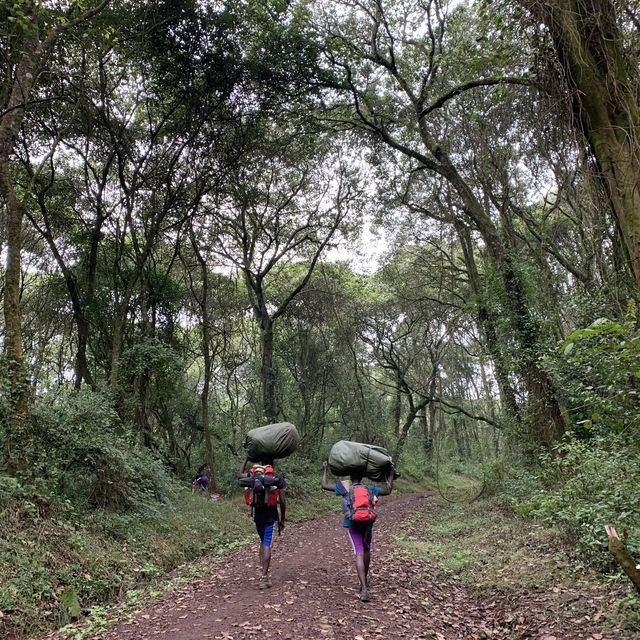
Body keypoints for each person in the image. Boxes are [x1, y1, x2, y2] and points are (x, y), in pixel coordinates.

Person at [321, 460, 394, 602]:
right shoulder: (369, 488)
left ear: (350, 476)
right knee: (366, 550)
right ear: (362, 476)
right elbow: (388, 490)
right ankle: (364, 582)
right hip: (368, 523)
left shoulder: (345, 487)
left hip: (353, 523)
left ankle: (364, 588)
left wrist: (325, 469)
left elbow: (324, 485)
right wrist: (390, 473)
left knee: (358, 553)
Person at [238, 458, 286, 589]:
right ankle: (264, 578)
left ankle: (263, 572)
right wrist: (282, 519)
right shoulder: (275, 477)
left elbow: (240, 474)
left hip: (258, 515)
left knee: (263, 542)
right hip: (270, 515)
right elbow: (282, 501)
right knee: (267, 543)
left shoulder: (253, 476)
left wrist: (245, 458)